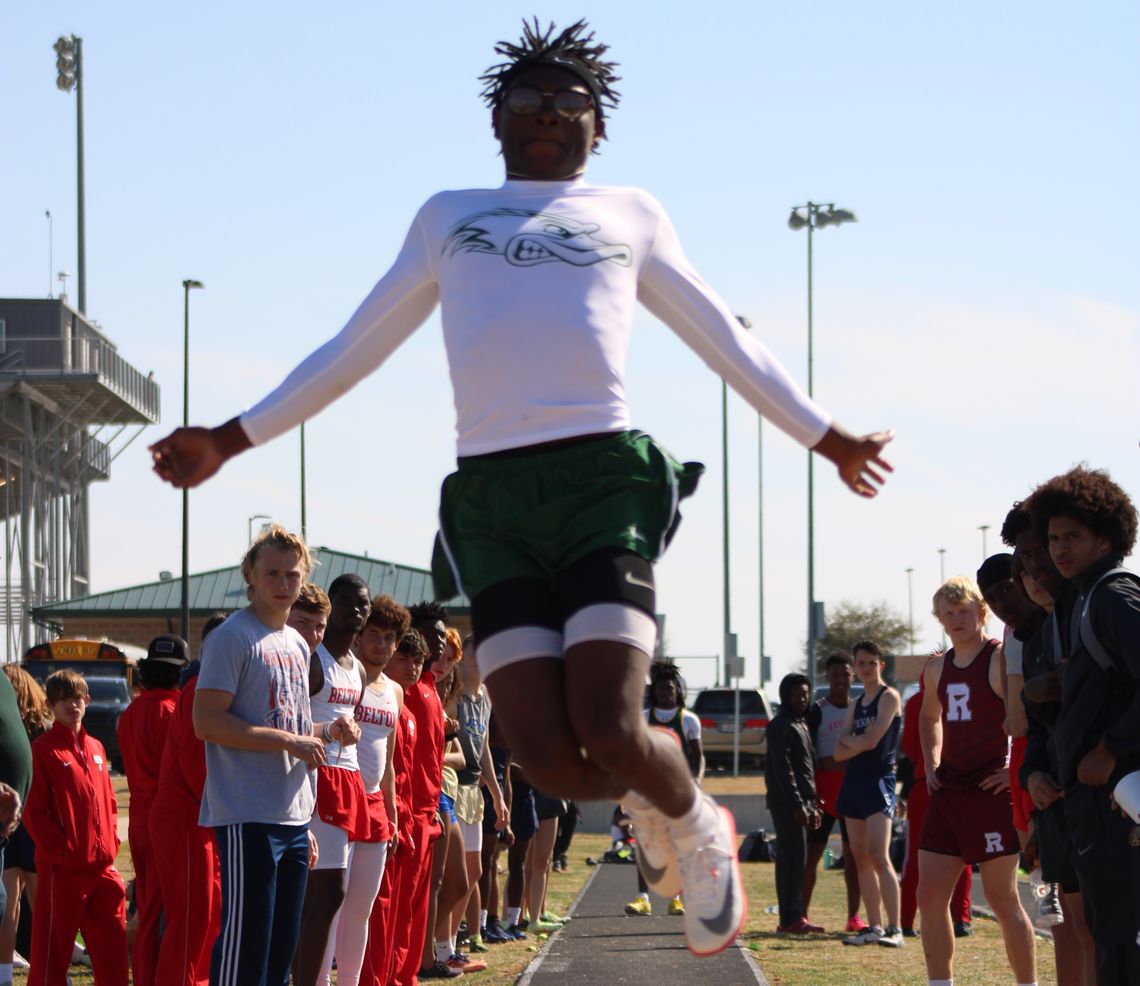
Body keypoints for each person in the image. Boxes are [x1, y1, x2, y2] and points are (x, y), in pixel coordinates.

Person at [148, 18, 894, 956]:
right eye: (528, 102)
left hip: (601, 481)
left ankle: (694, 818)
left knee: (614, 727)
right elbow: (351, 350)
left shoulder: (631, 212)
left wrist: (825, 437)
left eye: (568, 103)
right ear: (496, 119)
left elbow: (725, 338)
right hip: (493, 499)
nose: (547, 115)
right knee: (544, 751)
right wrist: (229, 435)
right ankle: (651, 801)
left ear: (600, 125)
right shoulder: (446, 215)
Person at [193, 526, 357, 986]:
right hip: (248, 814)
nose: (283, 583)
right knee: (245, 951)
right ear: (250, 573)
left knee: (281, 953)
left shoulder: (295, 643)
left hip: (293, 815)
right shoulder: (231, 637)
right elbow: (207, 722)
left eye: (292, 574)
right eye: (272, 573)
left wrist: (325, 732)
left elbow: (289, 725)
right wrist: (291, 742)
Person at [1025, 466, 1140, 985]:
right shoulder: (1080, 600)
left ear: (1106, 538)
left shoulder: (1115, 595)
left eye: (1073, 536)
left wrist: (1110, 750)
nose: (1059, 549)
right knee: (1107, 932)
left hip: (1121, 802)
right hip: (1091, 804)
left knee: (1123, 940)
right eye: (1053, 538)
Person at [918, 577, 1036, 986]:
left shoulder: (999, 659)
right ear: (939, 619)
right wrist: (931, 765)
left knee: (1004, 901)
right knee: (929, 899)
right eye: (948, 614)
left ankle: (1028, 983)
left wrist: (1016, 770)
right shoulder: (936, 667)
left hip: (991, 792)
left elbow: (1030, 718)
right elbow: (928, 717)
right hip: (949, 792)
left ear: (981, 612)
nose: (956, 620)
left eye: (963, 611)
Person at [319, 593, 404, 986]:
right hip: (339, 790)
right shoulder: (347, 676)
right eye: (374, 634)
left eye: (390, 637)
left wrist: (391, 809)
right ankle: (320, 978)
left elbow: (387, 758)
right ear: (359, 635)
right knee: (329, 903)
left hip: (373, 802)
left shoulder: (395, 691)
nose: (381, 644)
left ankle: (350, 981)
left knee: (361, 906)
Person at [24, 669, 128, 986]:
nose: (72, 705)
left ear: (87, 700)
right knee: (51, 955)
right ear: (51, 705)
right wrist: (61, 850)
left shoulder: (96, 748)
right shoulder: (43, 750)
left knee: (113, 953)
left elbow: (109, 803)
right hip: (64, 870)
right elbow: (34, 812)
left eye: (77, 698)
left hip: (102, 868)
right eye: (63, 700)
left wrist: (110, 844)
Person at [294, 575, 372, 986]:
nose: (356, 611)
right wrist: (331, 729)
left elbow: (348, 720)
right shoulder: (312, 657)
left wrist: (349, 729)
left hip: (347, 779)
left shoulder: (356, 667)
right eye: (347, 602)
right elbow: (292, 721)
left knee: (328, 897)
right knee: (323, 894)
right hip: (313, 777)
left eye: (363, 604)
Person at [149, 613, 228, 986]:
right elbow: (197, 766)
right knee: (192, 917)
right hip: (188, 815)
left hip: (202, 816)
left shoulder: (208, 685)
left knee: (206, 914)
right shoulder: (199, 688)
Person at [117, 633, 189, 986]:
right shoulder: (176, 711)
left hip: (139, 817)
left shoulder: (130, 713)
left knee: (147, 908)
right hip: (170, 819)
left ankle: (146, 976)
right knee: (178, 909)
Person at [834, 641, 903, 948]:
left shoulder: (889, 697)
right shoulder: (856, 703)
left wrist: (853, 740)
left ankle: (895, 928)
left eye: (871, 663)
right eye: (860, 663)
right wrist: (853, 741)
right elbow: (837, 751)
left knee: (879, 855)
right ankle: (873, 926)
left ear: (881, 665)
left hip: (879, 780)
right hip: (854, 782)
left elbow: (874, 740)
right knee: (860, 857)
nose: (865, 669)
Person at [896, 671, 972, 940]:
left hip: (924, 783)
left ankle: (906, 920)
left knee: (916, 856)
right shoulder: (964, 692)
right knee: (964, 853)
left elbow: (909, 747)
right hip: (959, 784)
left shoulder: (916, 701)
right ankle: (961, 918)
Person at [626, 661, 702, 918]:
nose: (665, 693)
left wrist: (697, 781)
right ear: (654, 692)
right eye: (660, 689)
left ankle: (677, 898)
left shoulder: (689, 720)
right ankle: (642, 898)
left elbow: (698, 757)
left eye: (670, 688)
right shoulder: (645, 718)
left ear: (677, 691)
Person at [803, 653, 865, 933]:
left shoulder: (860, 708)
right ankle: (800, 914)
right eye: (836, 675)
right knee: (813, 853)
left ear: (853, 677)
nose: (841, 680)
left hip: (852, 788)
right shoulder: (817, 711)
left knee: (854, 857)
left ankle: (854, 917)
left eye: (846, 675)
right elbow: (808, 751)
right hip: (824, 791)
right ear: (827, 678)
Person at [0, 666, 50, 985]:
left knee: (11, 901)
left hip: (19, 819)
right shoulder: (43, 730)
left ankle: (8, 968)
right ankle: (44, 964)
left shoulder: (27, 728)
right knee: (38, 902)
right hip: (30, 821)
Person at [764, 672, 822, 935]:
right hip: (786, 803)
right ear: (785, 696)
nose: (802, 698)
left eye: (805, 693)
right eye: (797, 694)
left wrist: (814, 801)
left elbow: (807, 767)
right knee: (791, 858)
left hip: (802, 801)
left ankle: (794, 916)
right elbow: (783, 769)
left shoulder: (801, 723)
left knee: (798, 858)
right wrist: (797, 804)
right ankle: (789, 919)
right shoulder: (780, 726)